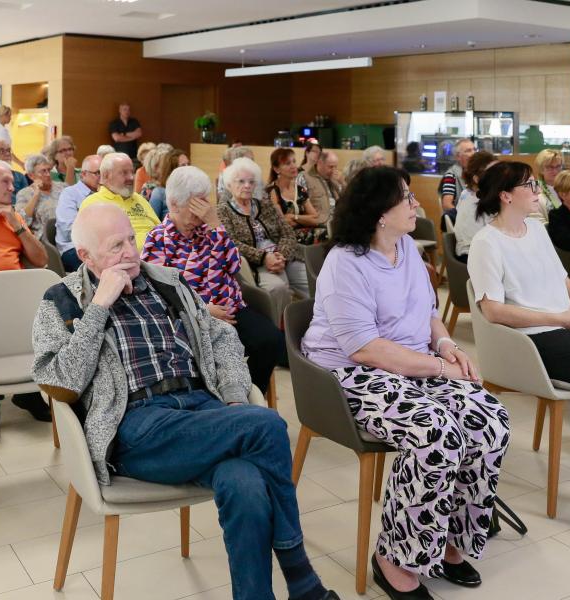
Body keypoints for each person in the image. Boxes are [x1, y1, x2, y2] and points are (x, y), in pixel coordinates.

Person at [31, 203, 339, 600]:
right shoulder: (62, 301)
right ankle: (302, 581)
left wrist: (230, 397)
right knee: (267, 424)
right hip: (137, 427)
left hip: (200, 408)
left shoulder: (166, 282)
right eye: (115, 247)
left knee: (243, 482)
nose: (130, 252)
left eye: (131, 239)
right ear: (86, 256)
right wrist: (99, 307)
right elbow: (59, 383)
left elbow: (223, 338)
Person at [302, 166, 510, 600]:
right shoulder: (346, 263)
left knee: (490, 420)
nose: (417, 204)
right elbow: (364, 349)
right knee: (436, 433)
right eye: (407, 198)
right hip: (351, 373)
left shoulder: (407, 250)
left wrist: (448, 345)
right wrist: (437, 368)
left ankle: (449, 541)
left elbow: (427, 314)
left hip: (412, 361)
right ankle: (394, 557)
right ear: (380, 212)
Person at [141, 166, 285, 394]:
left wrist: (217, 227)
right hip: (191, 317)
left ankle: (251, 395)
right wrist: (202, 310)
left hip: (230, 309)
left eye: (204, 204)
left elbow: (234, 265)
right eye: (194, 205)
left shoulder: (209, 230)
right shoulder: (158, 239)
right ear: (174, 204)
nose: (201, 214)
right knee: (208, 358)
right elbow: (160, 294)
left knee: (270, 341)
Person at [468, 161, 570, 389]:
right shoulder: (486, 243)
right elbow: (493, 312)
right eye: (530, 185)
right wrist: (561, 319)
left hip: (565, 322)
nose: (538, 190)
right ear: (506, 196)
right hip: (532, 337)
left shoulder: (536, 228)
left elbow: (561, 277)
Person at [0, 160, 50, 443]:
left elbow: (42, 260)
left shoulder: (12, 217)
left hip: (16, 302)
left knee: (35, 313)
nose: (13, 187)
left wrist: (17, 226)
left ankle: (30, 393)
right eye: (5, 182)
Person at [217, 157, 309, 319]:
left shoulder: (263, 203)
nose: (247, 186)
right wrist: (264, 257)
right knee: (277, 288)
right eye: (241, 181)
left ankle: (314, 323)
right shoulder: (223, 210)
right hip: (255, 263)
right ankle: (280, 330)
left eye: (251, 182)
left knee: (312, 280)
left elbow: (287, 232)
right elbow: (231, 243)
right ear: (230, 184)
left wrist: (282, 255)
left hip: (282, 256)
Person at [80, 152, 159, 251]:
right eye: (124, 173)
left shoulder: (140, 199)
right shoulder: (93, 204)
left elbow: (160, 230)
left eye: (132, 172)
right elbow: (97, 248)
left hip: (159, 257)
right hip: (126, 262)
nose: (131, 177)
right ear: (106, 175)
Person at [266, 148, 327, 245]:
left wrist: (294, 217)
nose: (293, 166)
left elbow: (315, 218)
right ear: (276, 169)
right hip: (284, 236)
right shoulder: (272, 191)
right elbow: (283, 222)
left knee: (327, 232)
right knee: (324, 234)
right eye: (287, 163)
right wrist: (306, 220)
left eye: (294, 162)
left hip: (304, 232)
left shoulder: (300, 189)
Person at [55, 154, 102, 271]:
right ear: (83, 174)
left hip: (100, 246)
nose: (101, 178)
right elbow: (68, 229)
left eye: (104, 173)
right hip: (73, 248)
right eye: (97, 173)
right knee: (105, 266)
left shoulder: (106, 194)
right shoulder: (69, 194)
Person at [453, 150, 496, 261]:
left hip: (474, 252)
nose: (499, 177)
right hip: (472, 256)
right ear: (476, 178)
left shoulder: (467, 193)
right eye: (494, 173)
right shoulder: (476, 202)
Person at [15, 154, 65, 241]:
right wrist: (36, 195)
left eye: (49, 170)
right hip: (46, 241)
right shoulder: (24, 194)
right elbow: (21, 222)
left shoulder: (62, 187)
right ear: (31, 176)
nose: (48, 174)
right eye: (43, 171)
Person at [439, 139, 475, 228]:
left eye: (474, 149)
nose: (473, 153)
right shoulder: (451, 175)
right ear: (458, 156)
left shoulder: (477, 174)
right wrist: (464, 216)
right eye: (468, 151)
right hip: (462, 224)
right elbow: (446, 204)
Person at [304, 150, 341, 230]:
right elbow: (302, 204)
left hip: (337, 222)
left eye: (336, 167)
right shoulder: (305, 177)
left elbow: (347, 200)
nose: (334, 171)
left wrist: (341, 182)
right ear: (320, 163)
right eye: (330, 167)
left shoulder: (334, 179)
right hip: (320, 226)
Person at [149, 148, 190, 220]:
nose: (188, 168)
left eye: (188, 164)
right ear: (172, 170)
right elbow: (151, 223)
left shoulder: (192, 192)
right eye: (183, 165)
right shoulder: (159, 193)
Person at [0, 138, 28, 204]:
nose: (7, 154)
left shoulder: (19, 176)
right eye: (1, 151)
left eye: (9, 151)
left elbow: (26, 201)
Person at [0, 105, 24, 169]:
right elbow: (5, 151)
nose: (10, 118)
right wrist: (21, 164)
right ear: (3, 115)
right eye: (9, 116)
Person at [535, 148, 563, 213]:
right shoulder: (534, 190)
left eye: (558, 166)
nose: (555, 171)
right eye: (550, 167)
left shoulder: (569, 187)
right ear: (541, 169)